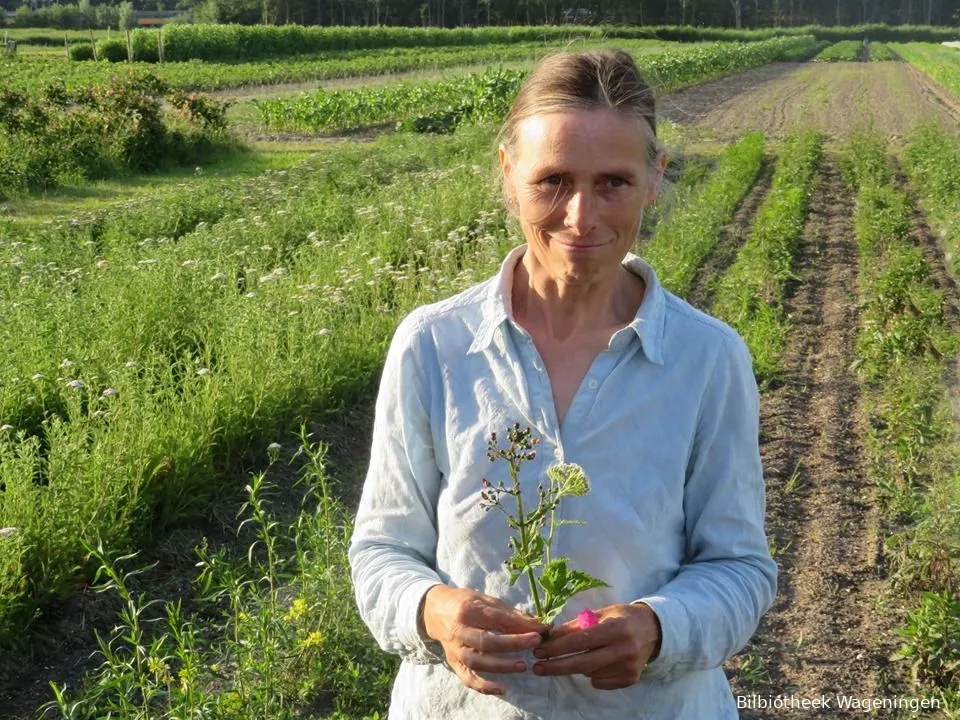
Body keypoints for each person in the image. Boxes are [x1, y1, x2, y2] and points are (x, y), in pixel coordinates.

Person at [348, 49, 777, 719]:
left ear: (654, 179)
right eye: (552, 180)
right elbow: (382, 552)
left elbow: (741, 569)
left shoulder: (707, 359)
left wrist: (658, 627)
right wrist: (434, 610)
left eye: (613, 182)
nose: (582, 216)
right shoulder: (435, 346)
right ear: (508, 173)